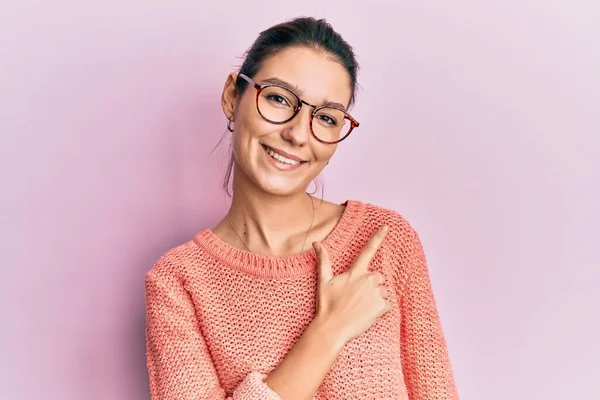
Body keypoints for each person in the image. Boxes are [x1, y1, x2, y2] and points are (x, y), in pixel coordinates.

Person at [144, 16, 459, 400]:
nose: (296, 133)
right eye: (278, 98)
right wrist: (328, 332)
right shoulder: (178, 283)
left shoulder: (386, 242)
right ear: (232, 96)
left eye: (325, 118)